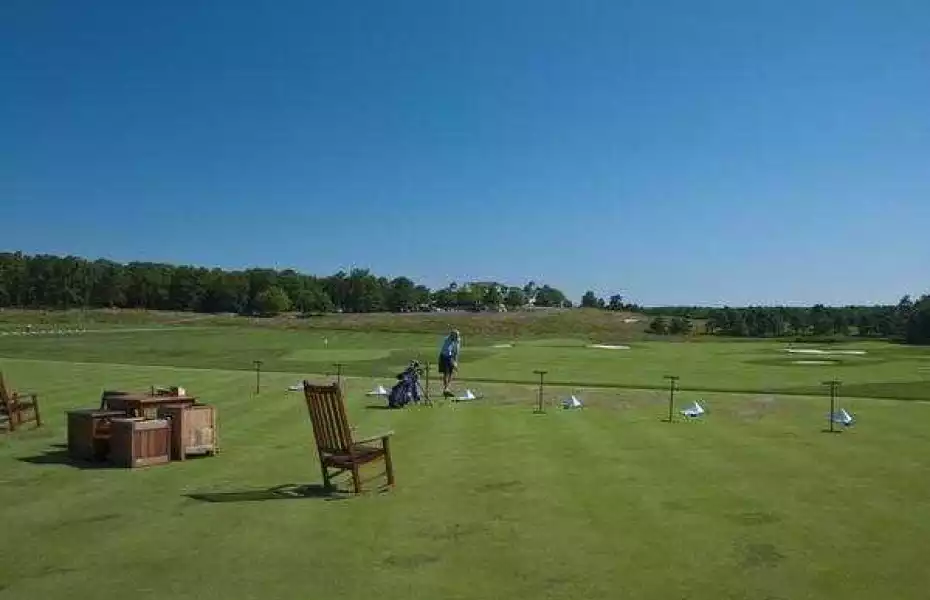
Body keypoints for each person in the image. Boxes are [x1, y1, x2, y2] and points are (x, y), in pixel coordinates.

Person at [438, 329, 462, 396]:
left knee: (451, 373)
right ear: (451, 335)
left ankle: (447, 388)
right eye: (455, 335)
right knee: (446, 373)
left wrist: (455, 362)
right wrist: (453, 361)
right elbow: (448, 351)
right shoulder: (447, 340)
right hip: (444, 357)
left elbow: (456, 352)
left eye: (457, 335)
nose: (457, 337)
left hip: (450, 357)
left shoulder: (457, 340)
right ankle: (446, 389)